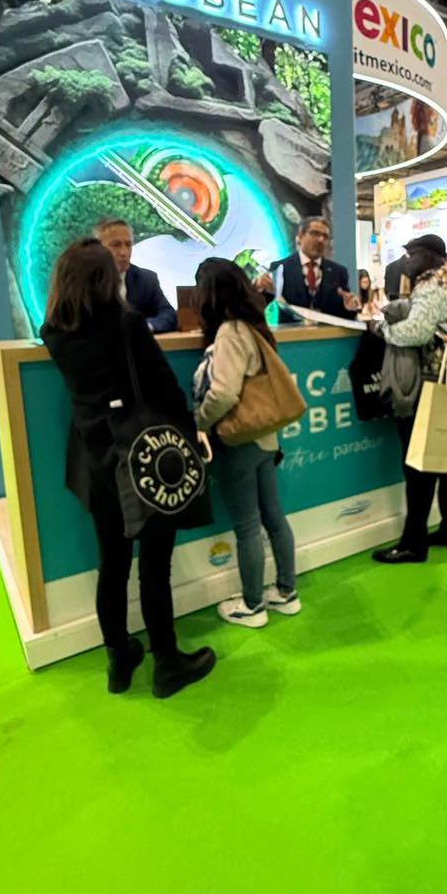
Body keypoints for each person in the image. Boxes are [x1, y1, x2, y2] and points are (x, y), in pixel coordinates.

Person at [41, 238, 216, 697]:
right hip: (142, 458)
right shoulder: (126, 325)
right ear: (106, 279)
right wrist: (189, 431)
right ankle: (167, 662)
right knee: (154, 566)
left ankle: (119, 661)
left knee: (112, 564)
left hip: (95, 461)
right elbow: (164, 386)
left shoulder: (53, 333)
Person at [192, 258, 300, 628]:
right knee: (274, 517)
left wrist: (200, 421)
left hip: (239, 440)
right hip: (265, 438)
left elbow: (223, 393)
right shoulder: (254, 327)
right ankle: (286, 591)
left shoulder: (229, 333)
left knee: (248, 526)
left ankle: (253, 605)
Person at [373, 234, 447, 565]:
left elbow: (416, 332)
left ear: (427, 256)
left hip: (428, 383)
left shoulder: (429, 286)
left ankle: (413, 542)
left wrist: (383, 331)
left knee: (419, 466)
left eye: (412, 255)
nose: (407, 262)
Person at [262, 217, 359, 320]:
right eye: (315, 233)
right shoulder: (280, 268)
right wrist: (260, 288)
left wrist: (351, 307)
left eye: (325, 236)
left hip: (328, 330)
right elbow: (266, 305)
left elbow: (345, 313)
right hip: (291, 329)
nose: (321, 240)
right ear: (301, 236)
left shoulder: (339, 272)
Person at [95, 218, 177, 333]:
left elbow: (169, 314)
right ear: (99, 248)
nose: (124, 252)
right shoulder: (86, 281)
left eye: (128, 245)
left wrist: (146, 327)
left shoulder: (147, 280)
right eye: (116, 245)